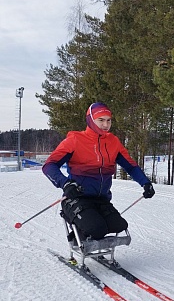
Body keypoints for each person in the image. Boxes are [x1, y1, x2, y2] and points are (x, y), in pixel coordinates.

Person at [42, 102, 155, 242]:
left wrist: (145, 183)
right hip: (77, 197)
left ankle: (89, 227)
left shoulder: (113, 142)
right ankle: (75, 227)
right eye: (100, 120)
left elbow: (131, 166)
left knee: (119, 225)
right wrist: (65, 184)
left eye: (108, 120)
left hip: (102, 199)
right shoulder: (75, 140)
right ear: (90, 119)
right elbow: (49, 165)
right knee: (97, 229)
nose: (105, 124)